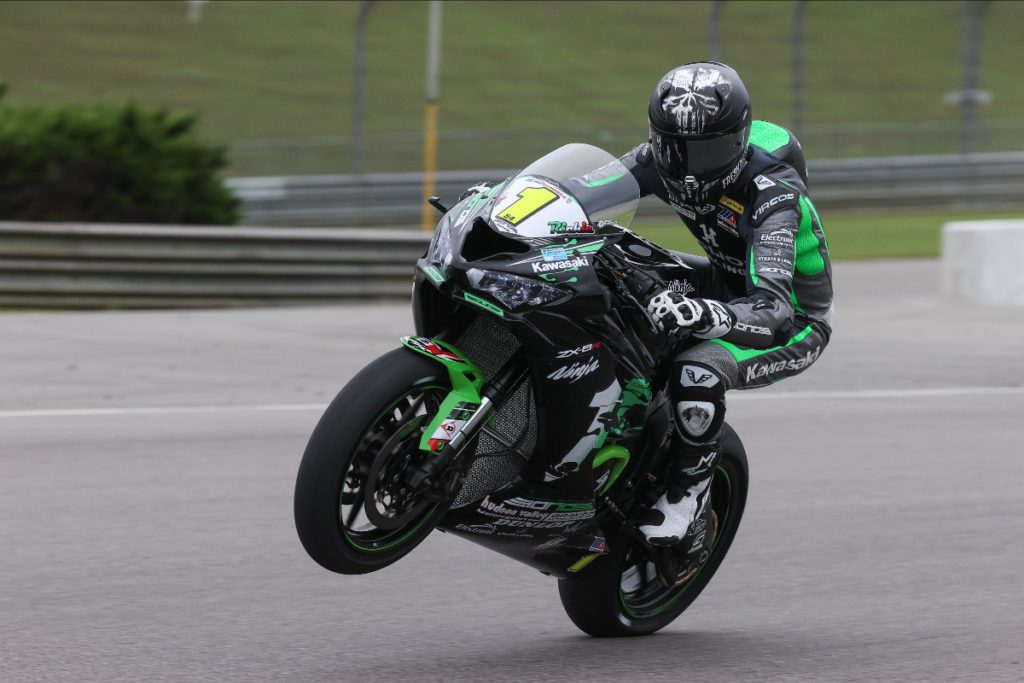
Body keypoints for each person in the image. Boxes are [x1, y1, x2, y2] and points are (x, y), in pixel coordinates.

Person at [620, 62, 834, 576]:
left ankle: (689, 497)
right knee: (618, 266)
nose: (689, 169)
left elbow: (773, 309)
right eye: (675, 148)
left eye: (708, 151)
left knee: (697, 369)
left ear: (738, 141)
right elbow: (585, 189)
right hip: (720, 282)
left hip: (790, 318)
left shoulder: (772, 191)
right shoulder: (656, 159)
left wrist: (700, 314)